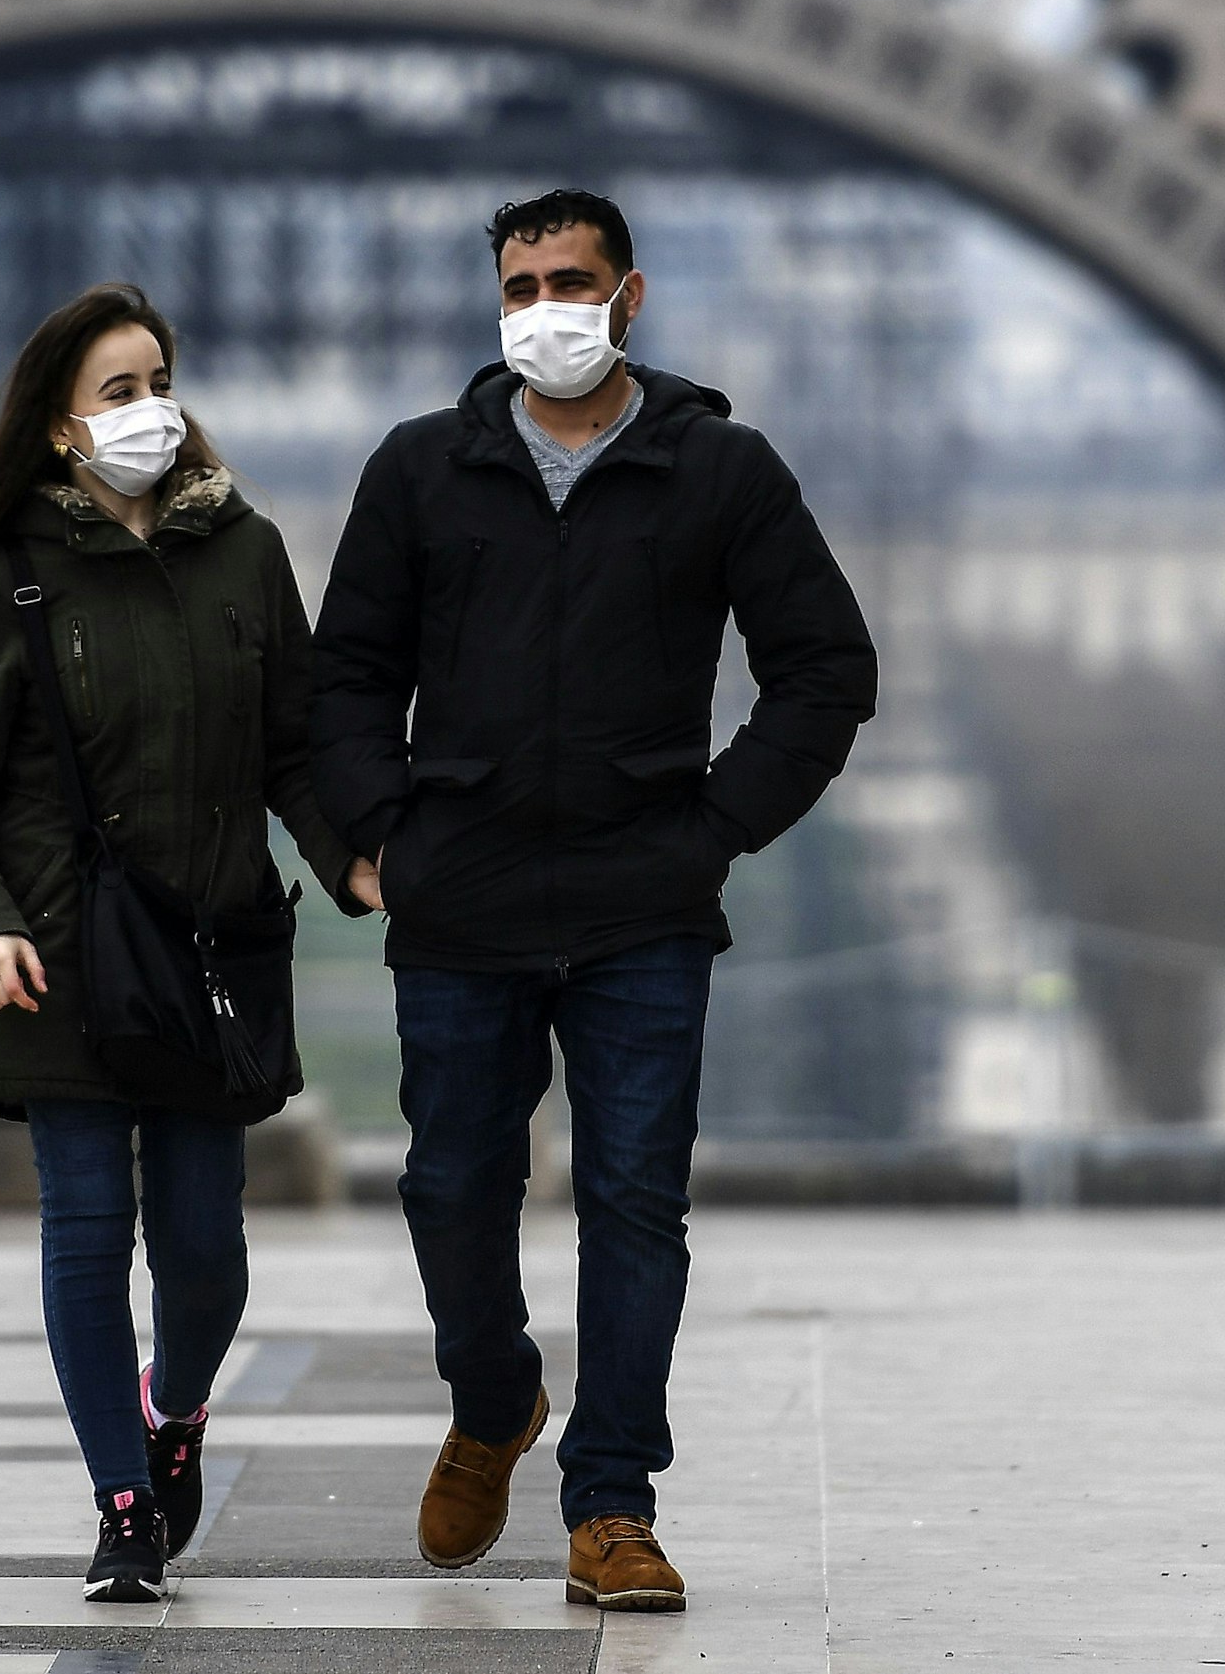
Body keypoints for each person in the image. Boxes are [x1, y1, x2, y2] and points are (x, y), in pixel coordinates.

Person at [309, 189, 878, 1614]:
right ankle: (495, 1396)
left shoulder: (722, 469)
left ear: (631, 298)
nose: (544, 308)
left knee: (634, 1201)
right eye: (520, 285)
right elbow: (345, 681)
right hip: (464, 892)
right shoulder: (419, 470)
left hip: (642, 899)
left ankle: (612, 1502)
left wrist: (717, 830)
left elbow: (827, 665)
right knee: (448, 1185)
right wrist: (377, 836)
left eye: (571, 281)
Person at [0, 282, 335, 1604]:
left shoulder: (245, 550)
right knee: (87, 1231)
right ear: (58, 429)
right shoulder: (12, 575)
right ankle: (125, 1500)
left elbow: (297, 750)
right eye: (118, 390)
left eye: (160, 380)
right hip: (60, 957)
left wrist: (360, 857)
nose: (152, 408)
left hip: (205, 958)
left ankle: (177, 1408)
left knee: (204, 1246)